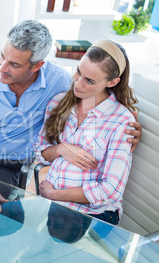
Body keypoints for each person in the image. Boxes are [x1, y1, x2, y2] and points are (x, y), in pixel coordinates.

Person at [0, 20, 141, 213]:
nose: (2, 68)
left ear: (37, 65)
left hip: (6, 164)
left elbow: (100, 87)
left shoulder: (58, 83)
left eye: (14, 64)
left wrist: (130, 123)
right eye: (3, 56)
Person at [33, 40, 137, 225]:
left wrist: (54, 194)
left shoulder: (121, 121)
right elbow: (40, 152)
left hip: (93, 212)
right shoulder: (58, 103)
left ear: (112, 82)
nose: (78, 84)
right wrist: (61, 149)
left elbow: (110, 189)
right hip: (55, 205)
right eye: (79, 72)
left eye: (89, 81)